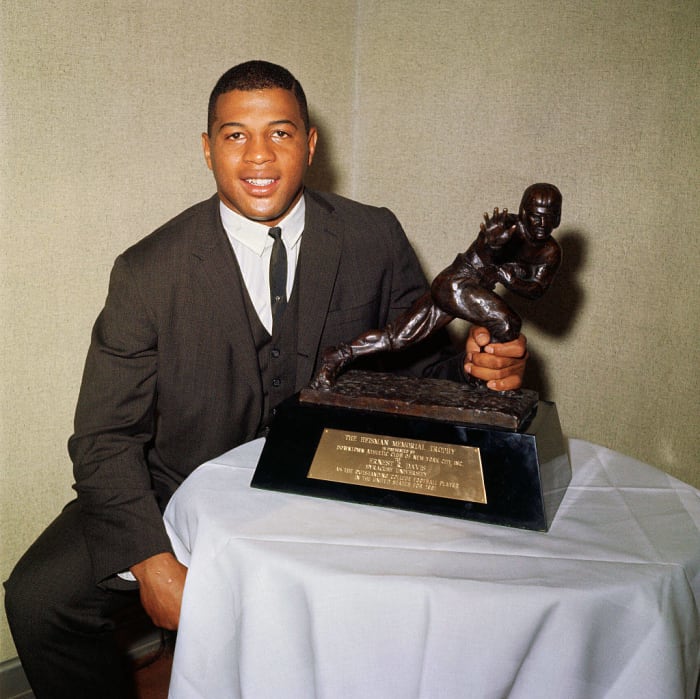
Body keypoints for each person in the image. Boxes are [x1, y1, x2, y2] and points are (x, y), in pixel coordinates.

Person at [4, 60, 527, 698]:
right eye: (235, 135)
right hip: (177, 485)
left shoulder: (372, 235)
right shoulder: (147, 271)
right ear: (206, 149)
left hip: (331, 478)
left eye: (279, 133)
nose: (259, 156)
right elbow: (103, 436)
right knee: (39, 598)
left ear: (310, 144)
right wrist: (152, 561)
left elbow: (420, 368)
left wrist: (480, 366)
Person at [311, 183, 561, 389]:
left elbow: (536, 290)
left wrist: (509, 278)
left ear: (557, 219)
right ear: (523, 211)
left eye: (547, 218)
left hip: (460, 288)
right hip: (456, 283)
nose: (540, 224)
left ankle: (338, 355)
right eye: (534, 215)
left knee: (396, 337)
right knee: (508, 323)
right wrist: (490, 246)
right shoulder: (506, 227)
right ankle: (485, 385)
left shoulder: (549, 251)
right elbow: (483, 252)